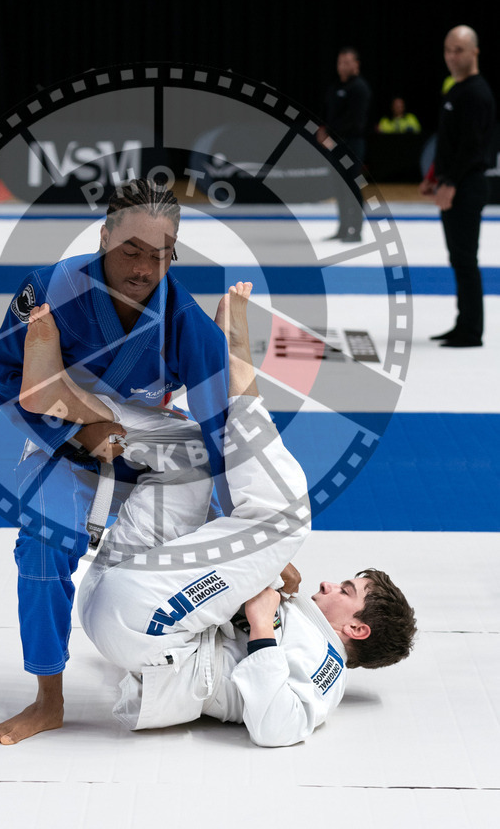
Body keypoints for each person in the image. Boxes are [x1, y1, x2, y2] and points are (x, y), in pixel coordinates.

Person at [78, 283, 416, 746]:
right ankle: (67, 404)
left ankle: (234, 358)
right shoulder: (301, 617)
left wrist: (261, 626)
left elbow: (278, 730)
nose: (328, 583)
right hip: (118, 599)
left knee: (288, 516)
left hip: (146, 627)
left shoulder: (327, 668)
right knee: (192, 459)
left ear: (356, 628)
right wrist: (262, 576)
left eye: (347, 590)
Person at [0, 179, 230, 743]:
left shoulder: (184, 319)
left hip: (149, 447)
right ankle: (48, 697)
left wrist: (246, 522)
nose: (144, 267)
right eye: (131, 251)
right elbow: (5, 375)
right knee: (42, 544)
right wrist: (75, 430)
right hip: (64, 439)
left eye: (159, 254)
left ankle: (183, 651)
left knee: (207, 540)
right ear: (103, 238)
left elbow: (222, 427)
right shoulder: (51, 288)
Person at [419, 26, 496, 347]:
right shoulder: (455, 89)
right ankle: (463, 322)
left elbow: (472, 147)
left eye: (459, 49)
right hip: (452, 182)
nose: (452, 56)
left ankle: (472, 330)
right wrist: (433, 176)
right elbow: (447, 143)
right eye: (448, 49)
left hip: (467, 185)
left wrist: (449, 183)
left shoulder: (477, 93)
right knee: (458, 258)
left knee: (465, 259)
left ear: (475, 52)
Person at [318, 47, 372, 242]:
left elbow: (356, 122)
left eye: (347, 62)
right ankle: (342, 228)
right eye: (340, 62)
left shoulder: (359, 88)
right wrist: (323, 130)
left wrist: (331, 132)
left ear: (356, 64)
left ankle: (355, 230)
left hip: (352, 143)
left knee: (352, 187)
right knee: (339, 187)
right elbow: (328, 114)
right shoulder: (334, 88)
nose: (342, 66)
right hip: (335, 144)